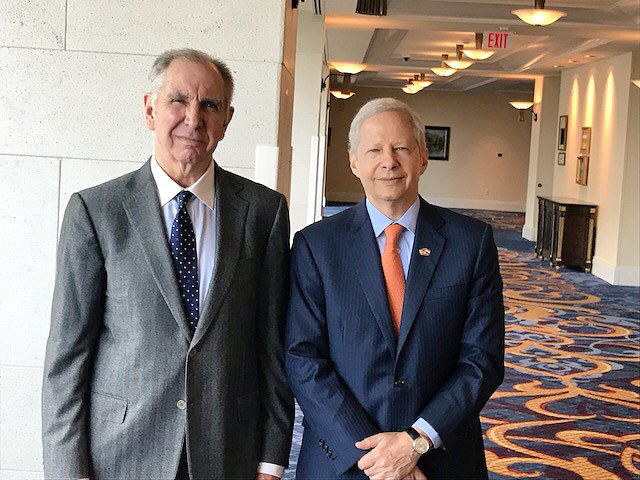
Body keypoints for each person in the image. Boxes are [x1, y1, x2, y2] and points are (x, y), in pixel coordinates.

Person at [42, 48, 294, 480]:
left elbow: (272, 347)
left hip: (228, 451)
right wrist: (68, 471)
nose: (194, 119)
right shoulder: (96, 211)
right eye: (178, 100)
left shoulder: (263, 212)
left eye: (209, 105)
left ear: (226, 120)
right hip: (120, 455)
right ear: (150, 110)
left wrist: (271, 461)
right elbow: (67, 358)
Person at [285, 98, 505, 479]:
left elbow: (481, 360)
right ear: (354, 162)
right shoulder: (316, 246)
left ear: (423, 157)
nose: (389, 161)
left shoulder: (471, 243)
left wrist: (415, 442)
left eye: (401, 147)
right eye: (374, 150)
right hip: (345, 460)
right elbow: (302, 357)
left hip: (440, 459)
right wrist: (378, 457)